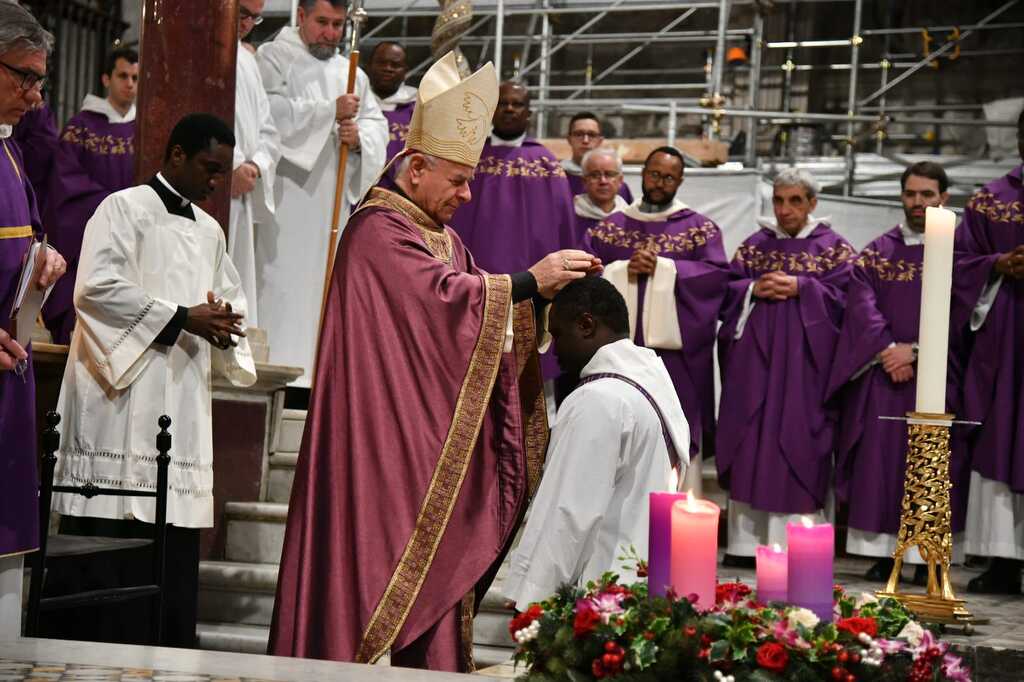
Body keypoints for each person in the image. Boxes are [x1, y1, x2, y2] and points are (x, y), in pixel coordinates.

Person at [268, 52, 599, 672]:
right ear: (416, 168)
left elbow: (478, 311)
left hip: (423, 435)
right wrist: (530, 280)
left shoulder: (438, 234)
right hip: (377, 443)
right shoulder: (378, 230)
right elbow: (452, 302)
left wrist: (546, 296)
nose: (467, 194)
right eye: (457, 179)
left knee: (442, 551)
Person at [50, 113, 256, 647]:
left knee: (171, 542)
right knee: (111, 537)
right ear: (177, 155)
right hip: (120, 400)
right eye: (209, 168)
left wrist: (223, 325)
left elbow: (229, 303)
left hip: (179, 402)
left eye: (222, 171)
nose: (216, 182)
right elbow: (94, 291)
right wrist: (182, 317)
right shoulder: (122, 209)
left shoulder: (210, 232)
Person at [503, 277, 689, 607]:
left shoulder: (597, 399)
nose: (555, 350)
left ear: (586, 324)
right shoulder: (656, 386)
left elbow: (568, 512)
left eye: (557, 334)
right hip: (642, 587)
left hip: (598, 601)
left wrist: (530, 599)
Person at [826, 162, 969, 584]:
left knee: (931, 462)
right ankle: (881, 551)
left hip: (939, 373)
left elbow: (965, 312)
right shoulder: (877, 252)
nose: (918, 203)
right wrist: (889, 350)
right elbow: (861, 304)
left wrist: (919, 351)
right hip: (884, 374)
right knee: (880, 461)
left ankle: (927, 554)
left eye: (927, 194)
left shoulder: (961, 252)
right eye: (911, 194)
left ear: (944, 197)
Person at [717, 168, 854, 565]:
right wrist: (751, 289)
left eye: (795, 201)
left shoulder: (834, 249)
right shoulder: (755, 247)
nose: (785, 209)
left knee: (800, 441)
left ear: (813, 203)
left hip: (804, 371)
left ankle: (798, 542)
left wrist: (803, 288)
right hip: (754, 370)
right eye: (779, 200)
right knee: (750, 442)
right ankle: (746, 544)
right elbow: (725, 292)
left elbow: (851, 303)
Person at [256, 0, 387, 385]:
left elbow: (376, 125)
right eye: (322, 23)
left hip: (328, 207)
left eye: (337, 24)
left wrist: (359, 137)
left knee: (321, 292)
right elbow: (269, 115)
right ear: (300, 16)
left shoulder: (351, 73)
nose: (330, 33)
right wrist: (328, 111)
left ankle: (313, 382)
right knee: (278, 288)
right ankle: (275, 376)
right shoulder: (273, 57)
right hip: (283, 201)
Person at [584, 146, 728, 493]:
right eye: (654, 174)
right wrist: (621, 270)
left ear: (679, 181)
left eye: (668, 177)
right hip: (618, 358)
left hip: (676, 362)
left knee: (673, 431)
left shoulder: (699, 230)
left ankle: (676, 518)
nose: (659, 182)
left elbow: (718, 280)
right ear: (642, 174)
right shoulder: (609, 230)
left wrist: (667, 269)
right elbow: (584, 277)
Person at [0, 1, 66, 639]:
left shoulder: (11, 153)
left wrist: (39, 264)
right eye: (23, 77)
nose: (34, 96)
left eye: (40, 81)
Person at [955, 110, 1024, 595]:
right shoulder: (990, 200)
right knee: (1000, 436)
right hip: (1004, 339)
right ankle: (1002, 558)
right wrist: (997, 263)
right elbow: (956, 264)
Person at [42, 47, 138, 344]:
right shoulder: (80, 128)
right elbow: (65, 183)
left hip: (136, 238)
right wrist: (114, 207)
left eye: (136, 77)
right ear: (106, 79)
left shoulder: (148, 127)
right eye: (123, 75)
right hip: (89, 237)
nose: (130, 84)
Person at [230, 0, 280, 329]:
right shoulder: (193, 48)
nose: (247, 23)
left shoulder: (247, 61)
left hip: (241, 188)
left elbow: (268, 130)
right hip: (212, 180)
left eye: (254, 17)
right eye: (242, 13)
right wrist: (229, 164)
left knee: (235, 277)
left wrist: (256, 165)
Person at [561, 112, 632, 203]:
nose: (585, 140)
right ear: (569, 139)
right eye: (579, 134)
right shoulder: (558, 179)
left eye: (591, 135)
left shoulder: (618, 186)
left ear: (600, 141)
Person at [367, 41, 416, 165]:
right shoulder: (356, 104)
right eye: (381, 63)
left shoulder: (418, 108)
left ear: (405, 71)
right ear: (369, 66)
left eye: (395, 65)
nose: (388, 69)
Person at [571, 147, 630, 225]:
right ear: (584, 181)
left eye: (609, 174)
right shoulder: (570, 215)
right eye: (595, 175)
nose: (603, 181)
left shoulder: (631, 218)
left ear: (620, 180)